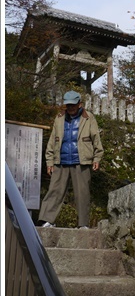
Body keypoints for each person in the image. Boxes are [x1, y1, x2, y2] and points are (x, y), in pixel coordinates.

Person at [38, 90, 104, 229]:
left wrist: (97, 158)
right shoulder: (59, 118)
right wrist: (49, 161)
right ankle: (47, 220)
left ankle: (83, 224)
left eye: (73, 105)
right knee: (54, 191)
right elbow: (52, 141)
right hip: (61, 160)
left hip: (82, 160)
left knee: (82, 194)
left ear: (80, 104)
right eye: (68, 105)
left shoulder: (89, 118)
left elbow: (96, 140)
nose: (70, 108)